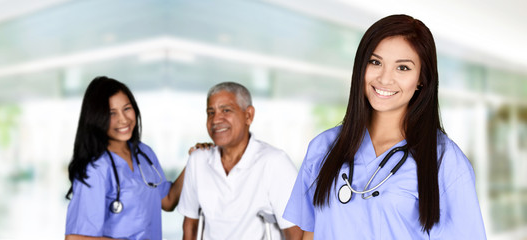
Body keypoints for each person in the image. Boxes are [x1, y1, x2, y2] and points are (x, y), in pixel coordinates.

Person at [283, 14, 486, 239]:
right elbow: (309, 232)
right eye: (375, 62)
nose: (385, 79)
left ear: (421, 78)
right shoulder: (324, 147)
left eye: (403, 68)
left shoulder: (445, 162)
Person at [177, 82, 303, 239]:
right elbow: (190, 224)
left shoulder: (275, 162)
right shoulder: (198, 160)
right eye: (210, 112)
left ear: (248, 115)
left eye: (226, 110)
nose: (216, 120)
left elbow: (296, 234)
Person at [64, 76, 185, 240]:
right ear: (96, 118)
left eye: (127, 109)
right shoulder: (96, 168)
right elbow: (75, 238)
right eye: (112, 113)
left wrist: (195, 162)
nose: (123, 119)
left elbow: (168, 201)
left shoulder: (144, 153)